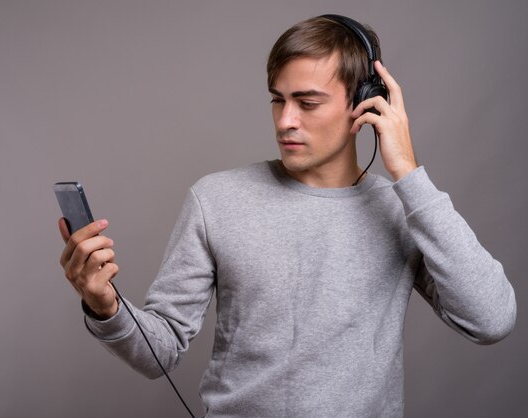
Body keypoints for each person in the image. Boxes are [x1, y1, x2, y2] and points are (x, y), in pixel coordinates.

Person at [57, 15, 516, 417]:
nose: (285, 121)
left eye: (307, 102)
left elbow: (490, 320)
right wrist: (105, 306)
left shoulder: (404, 209)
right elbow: (160, 352)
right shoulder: (216, 199)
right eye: (278, 99)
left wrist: (409, 176)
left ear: (366, 103)